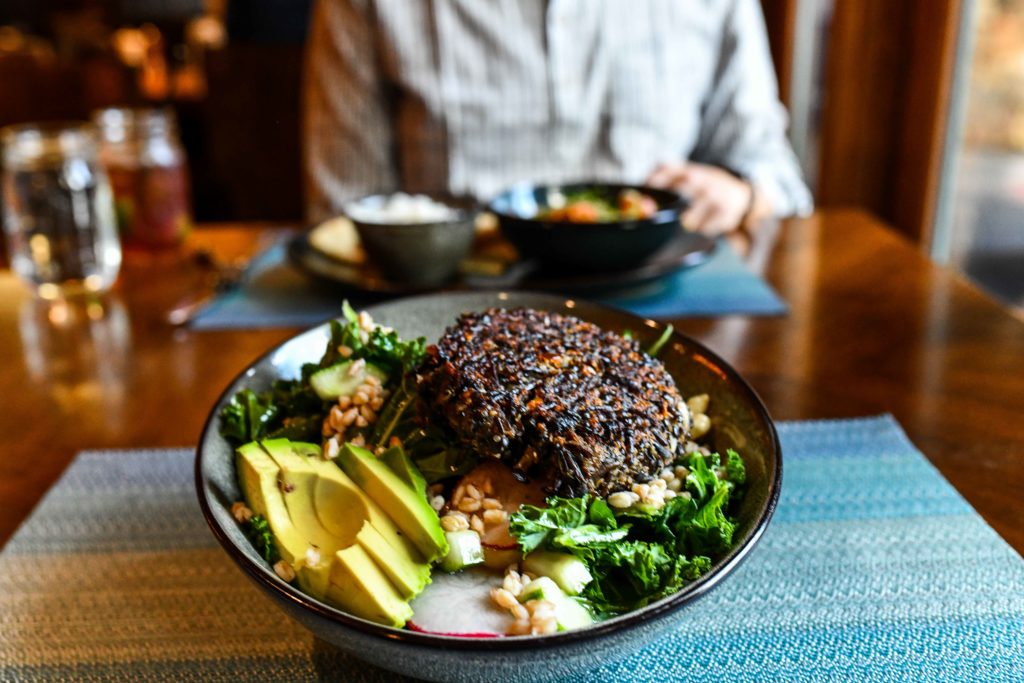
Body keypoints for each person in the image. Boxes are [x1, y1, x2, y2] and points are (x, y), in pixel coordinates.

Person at [303, 0, 812, 236]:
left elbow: (775, 172)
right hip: (451, 304)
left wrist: (743, 193)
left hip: (671, 304)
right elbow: (343, 215)